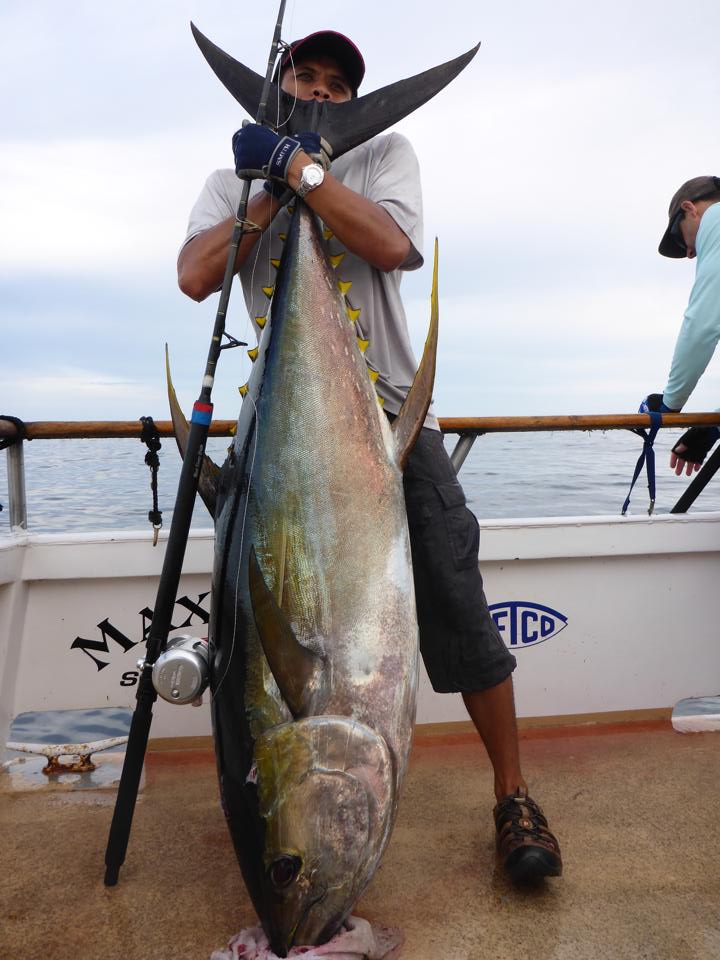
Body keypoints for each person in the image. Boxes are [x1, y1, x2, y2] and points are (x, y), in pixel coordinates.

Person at [177, 30, 562, 883]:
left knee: (459, 605)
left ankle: (514, 795)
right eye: (304, 78)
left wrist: (305, 169)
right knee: (251, 629)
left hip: (386, 422)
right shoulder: (228, 180)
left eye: (336, 85)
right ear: (280, 85)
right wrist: (270, 184)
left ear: (356, 101)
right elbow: (196, 277)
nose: (319, 94)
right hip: (271, 441)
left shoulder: (385, 152)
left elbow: (392, 247)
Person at [644, 176, 720, 474]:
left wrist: (670, 404)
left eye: (680, 237)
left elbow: (703, 324)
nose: (690, 252)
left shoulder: (715, 216)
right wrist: (713, 426)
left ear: (691, 209)